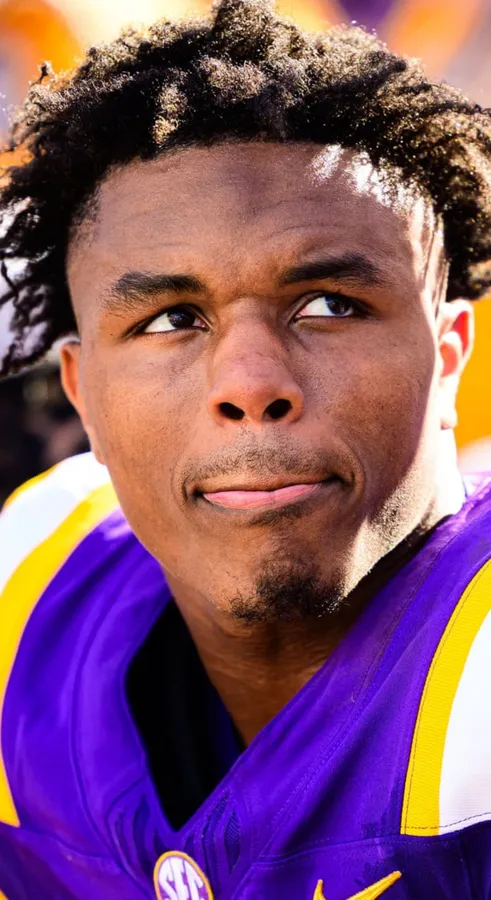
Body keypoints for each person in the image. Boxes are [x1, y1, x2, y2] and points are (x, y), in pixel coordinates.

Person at [0, 0, 490, 896]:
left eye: (330, 305)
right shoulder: (26, 586)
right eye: (170, 319)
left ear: (450, 353)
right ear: (81, 393)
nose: (250, 383)